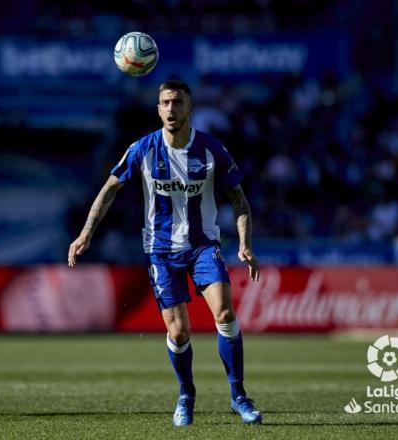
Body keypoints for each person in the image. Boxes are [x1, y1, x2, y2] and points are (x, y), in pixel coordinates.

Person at [68, 80, 262, 426]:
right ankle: (186, 395)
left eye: (177, 102)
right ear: (157, 109)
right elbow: (109, 189)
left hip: (204, 246)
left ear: (191, 108)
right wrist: (85, 234)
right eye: (165, 103)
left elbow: (239, 201)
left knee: (226, 314)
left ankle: (239, 396)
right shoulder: (142, 149)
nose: (171, 109)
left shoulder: (212, 149)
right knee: (179, 333)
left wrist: (245, 244)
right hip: (160, 251)